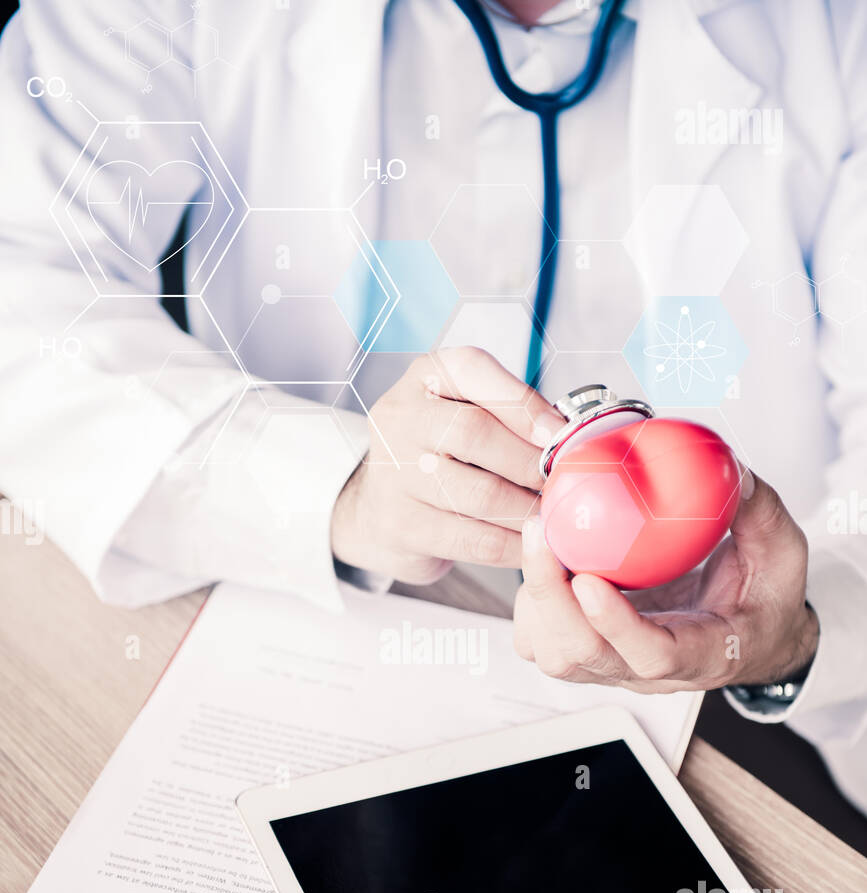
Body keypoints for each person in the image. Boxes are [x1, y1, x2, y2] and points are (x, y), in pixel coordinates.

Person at [0, 0, 865, 815]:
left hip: (740, 724)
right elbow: (22, 285)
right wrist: (328, 487)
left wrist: (794, 632)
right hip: (303, 625)